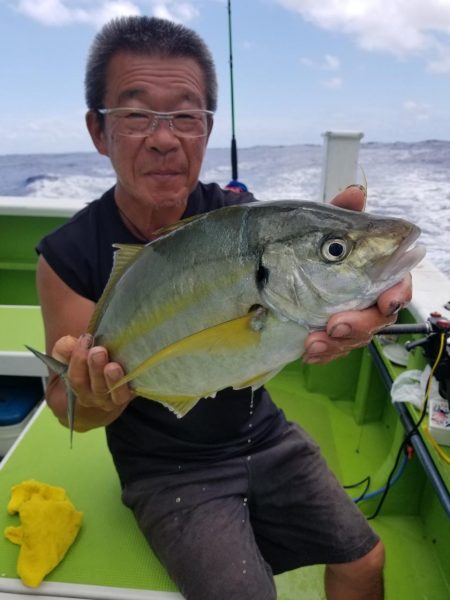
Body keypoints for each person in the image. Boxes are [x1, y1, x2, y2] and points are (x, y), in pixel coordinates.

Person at [36, 16, 412, 600]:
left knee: (366, 560)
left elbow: (309, 301)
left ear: (207, 129)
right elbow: (68, 410)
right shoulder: (68, 254)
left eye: (186, 116)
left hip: (262, 434)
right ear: (97, 130)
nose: (164, 139)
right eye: (136, 116)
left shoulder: (243, 219)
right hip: (166, 469)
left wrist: (365, 304)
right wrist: (92, 393)